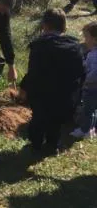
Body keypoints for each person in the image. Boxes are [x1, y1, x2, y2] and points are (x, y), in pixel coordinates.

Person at [20, 9, 84, 154]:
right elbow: (80, 73)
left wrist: (24, 89)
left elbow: (34, 74)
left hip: (43, 96)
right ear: (64, 26)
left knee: (38, 121)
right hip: (66, 98)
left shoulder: (40, 46)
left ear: (45, 25)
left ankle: (35, 145)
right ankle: (52, 145)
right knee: (55, 123)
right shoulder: (76, 47)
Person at [70, 22, 97, 139]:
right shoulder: (92, 53)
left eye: (86, 37)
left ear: (95, 39)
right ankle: (91, 129)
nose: (85, 40)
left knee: (87, 110)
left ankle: (84, 130)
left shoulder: (94, 55)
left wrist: (86, 81)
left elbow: (95, 72)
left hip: (91, 88)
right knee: (93, 110)